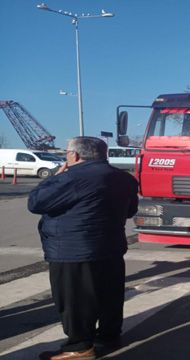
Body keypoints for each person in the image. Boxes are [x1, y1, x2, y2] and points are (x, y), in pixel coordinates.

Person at [28, 137, 139, 360]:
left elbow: (36, 203)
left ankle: (79, 347)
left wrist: (53, 178)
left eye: (67, 152)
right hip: (111, 248)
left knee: (75, 301)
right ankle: (108, 336)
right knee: (109, 296)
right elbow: (129, 211)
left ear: (75, 155)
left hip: (73, 250)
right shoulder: (124, 178)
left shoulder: (71, 177)